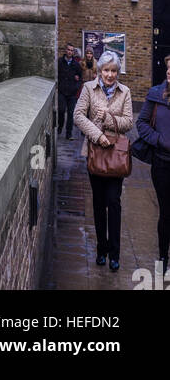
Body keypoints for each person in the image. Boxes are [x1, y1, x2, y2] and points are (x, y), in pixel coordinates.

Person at [73, 50, 134, 270]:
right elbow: (78, 115)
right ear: (100, 71)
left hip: (116, 154)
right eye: (106, 70)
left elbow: (128, 122)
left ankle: (115, 254)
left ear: (118, 72)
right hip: (95, 152)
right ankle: (102, 249)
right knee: (98, 203)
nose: (110, 75)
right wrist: (98, 136)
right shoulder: (89, 88)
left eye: (114, 71)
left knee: (114, 202)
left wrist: (107, 117)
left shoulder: (125, 91)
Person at [136, 53, 170, 275]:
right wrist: (159, 140)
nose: (168, 72)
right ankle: (162, 257)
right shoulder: (156, 94)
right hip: (162, 164)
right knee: (166, 212)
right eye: (168, 69)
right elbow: (141, 123)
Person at [57, 42, 83, 139]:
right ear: (65, 50)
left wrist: (76, 87)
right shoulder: (60, 62)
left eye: (72, 50)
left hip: (72, 93)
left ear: (73, 52)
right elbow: (56, 75)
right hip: (62, 91)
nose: (70, 52)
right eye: (68, 50)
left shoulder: (76, 65)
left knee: (71, 113)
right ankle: (60, 125)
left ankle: (69, 133)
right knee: (61, 110)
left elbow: (80, 78)